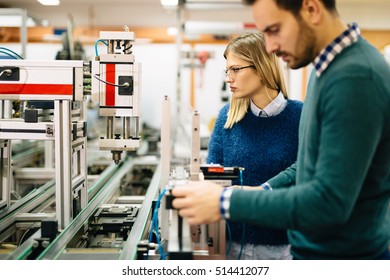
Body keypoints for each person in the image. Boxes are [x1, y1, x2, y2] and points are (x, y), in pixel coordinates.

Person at [172, 0, 390, 260]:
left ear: (311, 8)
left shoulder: (354, 77)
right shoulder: (328, 72)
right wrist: (262, 190)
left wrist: (224, 202)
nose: (270, 47)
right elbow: (307, 165)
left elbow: (328, 202)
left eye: (274, 30)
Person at [207, 32, 303, 260]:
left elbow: (308, 170)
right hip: (230, 247)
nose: (228, 78)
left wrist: (262, 192)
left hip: (282, 250)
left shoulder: (301, 116)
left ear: (261, 67)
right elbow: (211, 172)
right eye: (227, 71)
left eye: (236, 69)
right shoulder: (227, 117)